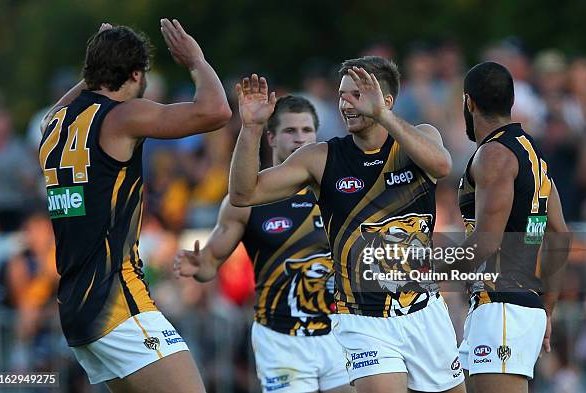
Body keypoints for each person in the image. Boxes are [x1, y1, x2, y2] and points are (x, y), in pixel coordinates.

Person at [228, 57, 465, 393]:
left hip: (425, 311)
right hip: (362, 319)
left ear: (387, 101)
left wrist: (383, 116)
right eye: (342, 94)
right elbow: (242, 193)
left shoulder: (420, 137)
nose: (345, 103)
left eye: (356, 94)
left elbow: (442, 166)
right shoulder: (321, 157)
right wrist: (250, 128)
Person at [38, 20, 231, 393]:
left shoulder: (54, 124)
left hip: (77, 309)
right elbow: (216, 111)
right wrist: (196, 60)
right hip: (117, 305)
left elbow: (72, 101)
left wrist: (98, 60)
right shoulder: (123, 115)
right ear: (136, 74)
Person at [174, 95, 353, 393]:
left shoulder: (338, 192)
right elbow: (209, 265)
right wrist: (198, 264)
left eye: (307, 131)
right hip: (280, 337)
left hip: (339, 330)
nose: (300, 139)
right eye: (290, 131)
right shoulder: (245, 202)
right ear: (270, 137)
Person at [455, 61, 571, 393]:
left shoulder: (494, 154)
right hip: (517, 304)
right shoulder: (532, 155)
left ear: (469, 102)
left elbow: (487, 241)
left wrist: (429, 267)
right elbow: (559, 234)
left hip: (502, 306)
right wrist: (546, 310)